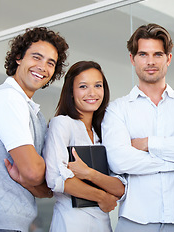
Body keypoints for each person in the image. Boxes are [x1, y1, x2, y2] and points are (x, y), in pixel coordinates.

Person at [101, 23, 174, 232]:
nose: (150, 61)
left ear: (168, 59)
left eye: (157, 54)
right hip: (135, 221)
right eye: (143, 54)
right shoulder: (117, 110)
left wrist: (148, 144)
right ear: (132, 59)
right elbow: (119, 160)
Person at [0, 27, 69, 232]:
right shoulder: (7, 99)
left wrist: (37, 181)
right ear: (19, 57)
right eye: (36, 57)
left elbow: (44, 187)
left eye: (50, 63)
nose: (42, 67)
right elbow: (33, 172)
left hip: (11, 224)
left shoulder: (30, 110)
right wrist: (39, 177)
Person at [43, 61, 126, 232]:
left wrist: (89, 173)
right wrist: (102, 196)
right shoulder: (63, 124)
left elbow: (120, 188)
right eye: (83, 86)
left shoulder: (103, 132)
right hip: (70, 223)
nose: (92, 93)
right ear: (71, 92)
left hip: (102, 224)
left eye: (98, 85)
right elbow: (55, 179)